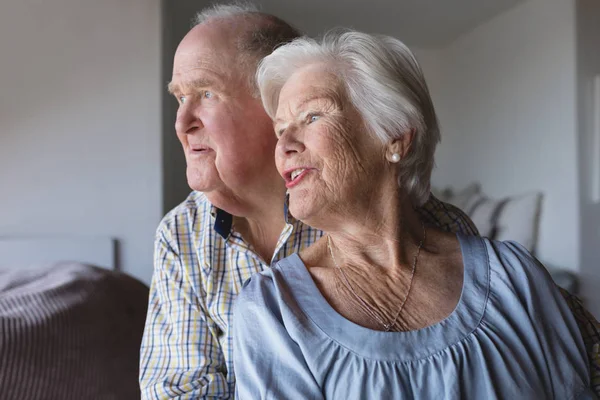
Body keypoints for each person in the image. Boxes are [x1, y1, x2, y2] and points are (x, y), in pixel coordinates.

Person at [139, 3, 600, 399]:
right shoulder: (191, 242)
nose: (182, 123)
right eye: (179, 98)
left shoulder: (480, 254)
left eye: (205, 93)